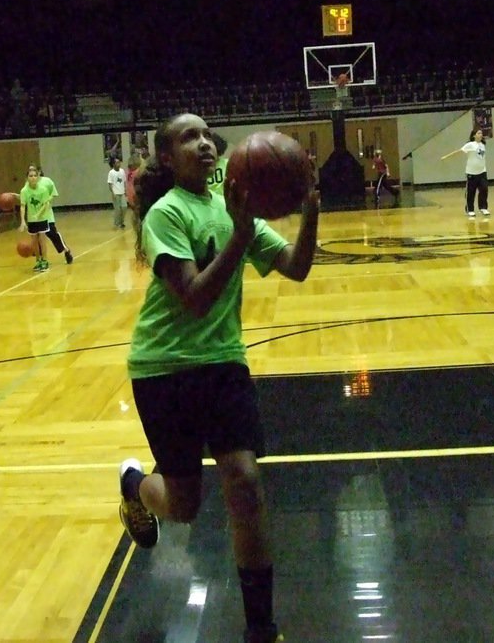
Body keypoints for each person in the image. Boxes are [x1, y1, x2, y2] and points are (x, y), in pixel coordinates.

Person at [117, 113, 318, 643]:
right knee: (183, 507)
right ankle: (135, 486)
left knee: (245, 483)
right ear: (166, 157)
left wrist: (310, 211)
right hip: (164, 368)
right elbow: (197, 298)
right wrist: (242, 232)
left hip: (225, 362)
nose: (204, 143)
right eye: (188, 138)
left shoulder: (234, 209)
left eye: (207, 135)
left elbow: (296, 267)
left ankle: (261, 628)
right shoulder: (166, 214)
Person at [18, 165, 73, 269]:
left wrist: (46, 202)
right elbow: (27, 198)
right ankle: (39, 259)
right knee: (36, 239)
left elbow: (53, 195)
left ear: (39, 173)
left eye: (34, 172)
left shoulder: (47, 182)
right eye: (30, 172)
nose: (32, 175)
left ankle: (66, 251)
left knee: (53, 235)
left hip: (46, 215)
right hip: (33, 217)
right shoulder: (27, 185)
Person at [441, 128, 488, 217]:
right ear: (474, 135)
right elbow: (458, 151)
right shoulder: (470, 145)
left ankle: (483, 208)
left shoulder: (482, 145)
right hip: (471, 173)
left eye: (481, 133)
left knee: (484, 189)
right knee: (471, 191)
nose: (480, 135)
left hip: (482, 172)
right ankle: (470, 209)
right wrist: (446, 157)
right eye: (478, 133)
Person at [107, 157, 127, 230]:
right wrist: (113, 193)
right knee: (117, 209)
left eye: (119, 162)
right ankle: (117, 223)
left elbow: (124, 181)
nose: (119, 163)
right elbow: (110, 184)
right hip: (116, 193)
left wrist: (125, 190)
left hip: (122, 192)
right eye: (117, 162)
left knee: (124, 207)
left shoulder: (122, 171)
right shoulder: (111, 172)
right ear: (113, 164)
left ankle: (121, 221)